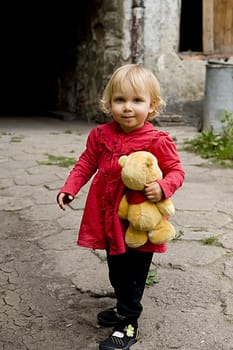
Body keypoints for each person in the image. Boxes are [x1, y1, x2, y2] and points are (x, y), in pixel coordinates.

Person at [57, 63, 185, 350]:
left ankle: (128, 323)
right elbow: (86, 163)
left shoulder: (157, 140)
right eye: (120, 100)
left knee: (134, 272)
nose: (128, 108)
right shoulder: (100, 135)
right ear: (109, 103)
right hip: (109, 217)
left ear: (151, 106)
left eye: (137, 101)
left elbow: (176, 171)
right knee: (116, 269)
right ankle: (122, 306)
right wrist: (70, 187)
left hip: (141, 222)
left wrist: (163, 187)